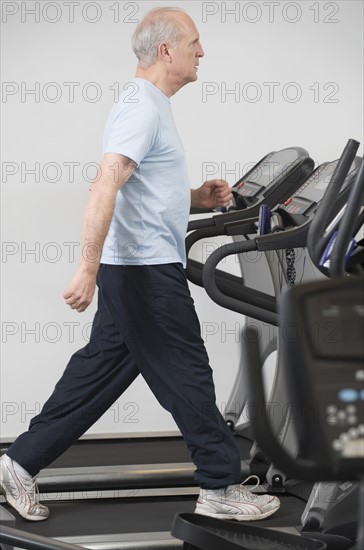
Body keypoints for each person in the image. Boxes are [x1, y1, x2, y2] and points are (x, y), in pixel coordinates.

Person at [0, 7, 280, 523]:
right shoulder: (142, 109)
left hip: (135, 269)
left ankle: (18, 464)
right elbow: (105, 183)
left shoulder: (148, 104)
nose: (203, 52)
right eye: (195, 42)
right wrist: (86, 268)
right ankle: (218, 487)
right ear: (167, 50)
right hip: (145, 273)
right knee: (189, 373)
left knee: (98, 373)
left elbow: (139, 189)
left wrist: (196, 197)